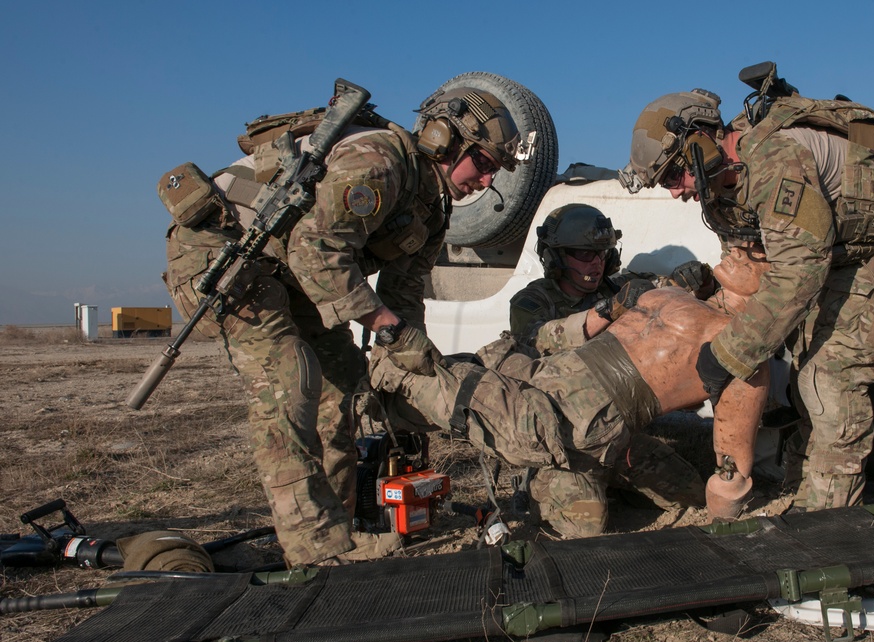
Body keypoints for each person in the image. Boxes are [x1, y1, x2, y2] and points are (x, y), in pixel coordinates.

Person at [162, 84, 522, 566]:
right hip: (223, 253)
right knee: (290, 375)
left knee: (345, 386)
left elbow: (404, 295)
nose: (485, 180)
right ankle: (314, 549)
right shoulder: (378, 164)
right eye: (483, 163)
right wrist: (389, 328)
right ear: (444, 138)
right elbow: (315, 251)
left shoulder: (431, 210)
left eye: (494, 171)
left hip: (292, 271)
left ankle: (342, 526)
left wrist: (406, 358)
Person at [620, 75, 874, 511]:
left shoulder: (773, 161)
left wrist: (728, 353)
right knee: (804, 354)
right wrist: (702, 330)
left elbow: (799, 271)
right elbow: (746, 276)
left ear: (701, 141)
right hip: (835, 243)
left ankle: (830, 527)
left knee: (830, 375)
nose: (676, 192)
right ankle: (801, 486)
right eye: (666, 182)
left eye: (675, 173)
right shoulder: (721, 188)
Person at [371, 244, 772, 524]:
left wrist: (726, 523)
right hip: (552, 383)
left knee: (682, 492)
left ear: (780, 283)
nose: (737, 250)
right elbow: (559, 331)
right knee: (468, 400)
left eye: (756, 252)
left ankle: (557, 470)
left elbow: (732, 457)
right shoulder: (672, 293)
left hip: (594, 422)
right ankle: (386, 381)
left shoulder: (741, 352)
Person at [507, 203, 705, 537]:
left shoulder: (619, 288)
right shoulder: (531, 302)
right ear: (554, 258)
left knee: (692, 493)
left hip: (617, 437)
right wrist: (608, 311)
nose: (596, 264)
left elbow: (664, 291)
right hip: (569, 447)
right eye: (584, 255)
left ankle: (608, 486)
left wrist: (690, 280)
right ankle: (548, 485)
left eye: (602, 254)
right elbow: (538, 340)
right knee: (587, 531)